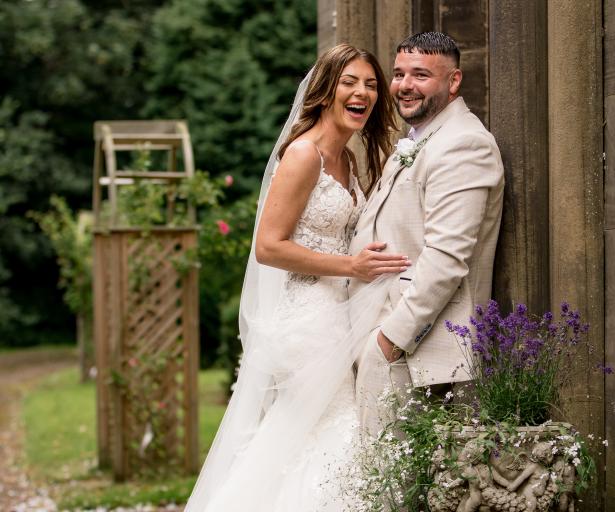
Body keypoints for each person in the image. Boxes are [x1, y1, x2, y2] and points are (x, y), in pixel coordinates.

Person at [185, 44, 404, 512]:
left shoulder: (348, 159)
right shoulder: (304, 155)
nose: (362, 92)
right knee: (336, 430)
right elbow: (269, 246)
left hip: (334, 313)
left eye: (370, 84)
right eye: (349, 82)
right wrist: (352, 266)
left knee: (302, 436)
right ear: (325, 91)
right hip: (307, 318)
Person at [350, 32, 505, 436]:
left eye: (421, 75)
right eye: (399, 74)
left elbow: (446, 259)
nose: (404, 85)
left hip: (411, 354)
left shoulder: (464, 144)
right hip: (378, 338)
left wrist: (390, 341)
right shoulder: (419, 140)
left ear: (453, 81)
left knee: (392, 487)